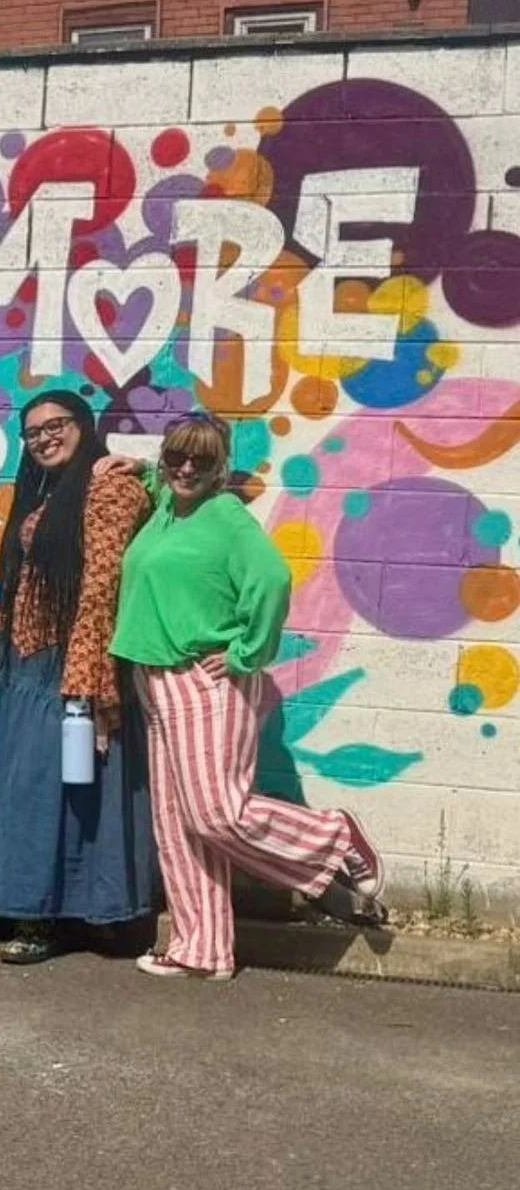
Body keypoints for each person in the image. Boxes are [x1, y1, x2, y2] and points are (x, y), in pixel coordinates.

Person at [110, 412, 386, 982]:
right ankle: (201, 948)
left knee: (216, 813)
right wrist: (139, 470)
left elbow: (273, 580)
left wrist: (244, 653)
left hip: (203, 679)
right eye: (177, 456)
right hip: (153, 679)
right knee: (176, 823)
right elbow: (161, 483)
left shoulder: (226, 516)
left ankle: (335, 836)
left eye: (202, 461)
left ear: (220, 471)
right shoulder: (168, 503)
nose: (186, 468)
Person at [0, 390, 156, 965]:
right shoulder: (50, 488)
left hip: (73, 668)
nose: (46, 438)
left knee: (73, 787)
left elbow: (101, 588)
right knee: (45, 788)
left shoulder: (108, 486)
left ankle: (66, 914)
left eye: (57, 425)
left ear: (84, 426)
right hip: (31, 663)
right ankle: (42, 910)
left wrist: (83, 682)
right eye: (33, 432)